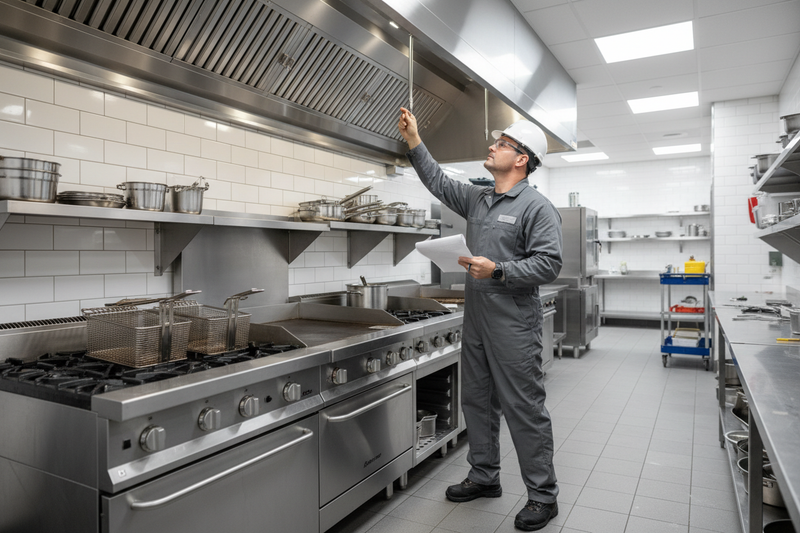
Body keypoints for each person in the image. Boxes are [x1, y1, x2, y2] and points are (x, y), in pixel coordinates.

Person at [398, 107, 562, 531]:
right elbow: (438, 181)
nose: (492, 146)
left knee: (523, 408)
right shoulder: (479, 197)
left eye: (502, 144)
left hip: (513, 324)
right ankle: (485, 476)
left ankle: (543, 496)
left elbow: (548, 264)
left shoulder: (537, 208)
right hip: (476, 320)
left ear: (521, 158)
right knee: (476, 400)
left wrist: (499, 270)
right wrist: (415, 140)